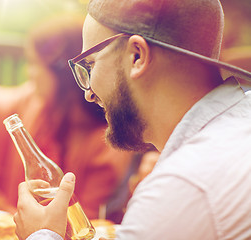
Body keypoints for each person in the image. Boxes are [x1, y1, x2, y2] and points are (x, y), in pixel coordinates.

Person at [13, 0, 251, 239]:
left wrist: (41, 234)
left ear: (136, 55)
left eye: (90, 64)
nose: (88, 93)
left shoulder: (180, 187)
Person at [0, 14, 134, 218]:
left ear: (64, 73)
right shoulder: (36, 103)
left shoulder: (104, 145)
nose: (28, 72)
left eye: (33, 63)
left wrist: (1, 207)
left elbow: (81, 227)